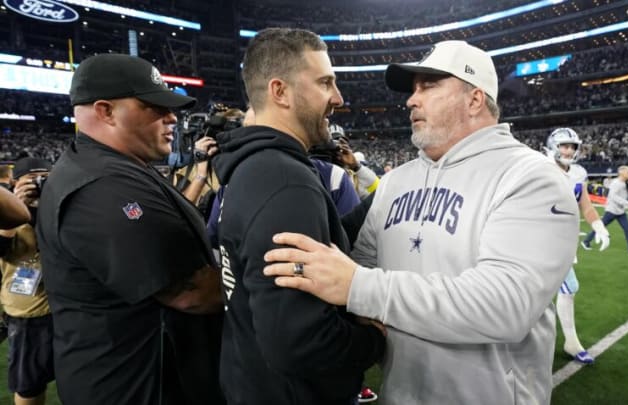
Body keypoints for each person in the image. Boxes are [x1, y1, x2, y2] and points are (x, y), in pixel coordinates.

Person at [263, 40, 579, 404]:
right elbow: (362, 261)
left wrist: (358, 287)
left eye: (428, 86)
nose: (412, 100)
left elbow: (504, 306)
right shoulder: (397, 180)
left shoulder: (530, 177)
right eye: (413, 89)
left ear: (475, 99)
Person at [35, 54, 224, 405]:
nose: (172, 118)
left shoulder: (112, 165)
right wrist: (261, 275)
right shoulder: (100, 185)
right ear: (106, 111)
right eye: (154, 107)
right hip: (133, 386)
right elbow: (193, 293)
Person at [211, 28, 385, 405]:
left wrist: (384, 197)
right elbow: (298, 342)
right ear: (280, 91)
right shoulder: (285, 180)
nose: (337, 97)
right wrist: (376, 338)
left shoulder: (254, 168)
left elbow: (325, 239)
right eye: (325, 83)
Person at [545, 128, 610, 365]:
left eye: (572, 146)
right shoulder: (539, 167)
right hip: (538, 238)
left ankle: (570, 342)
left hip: (562, 239)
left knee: (566, 289)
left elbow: (586, 205)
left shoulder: (578, 173)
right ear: (553, 145)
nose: (569, 150)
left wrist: (599, 226)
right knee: (555, 289)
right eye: (564, 145)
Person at [0, 157, 54, 405]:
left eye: (44, 178)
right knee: (29, 385)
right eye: (31, 180)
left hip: (65, 308)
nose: (38, 184)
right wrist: (18, 207)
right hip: (28, 313)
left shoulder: (57, 208)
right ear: (15, 183)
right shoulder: (5, 212)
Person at [583, 166, 628, 254]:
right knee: (600, 227)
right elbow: (613, 196)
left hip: (620, 210)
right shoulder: (616, 183)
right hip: (612, 210)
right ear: (622, 173)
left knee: (627, 228)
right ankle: (586, 241)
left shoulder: (624, 183)